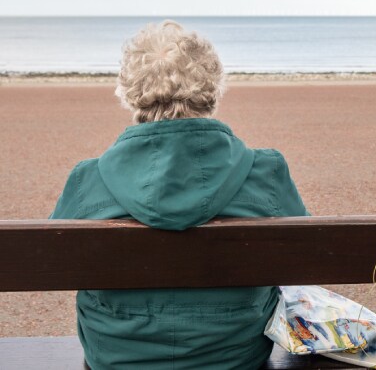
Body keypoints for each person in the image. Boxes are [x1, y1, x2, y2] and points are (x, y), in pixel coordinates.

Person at [51, 20, 309, 370]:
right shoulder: (267, 171)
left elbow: (57, 266)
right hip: (235, 358)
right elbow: (301, 260)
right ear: (212, 88)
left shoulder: (87, 180)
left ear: (129, 91)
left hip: (116, 360)